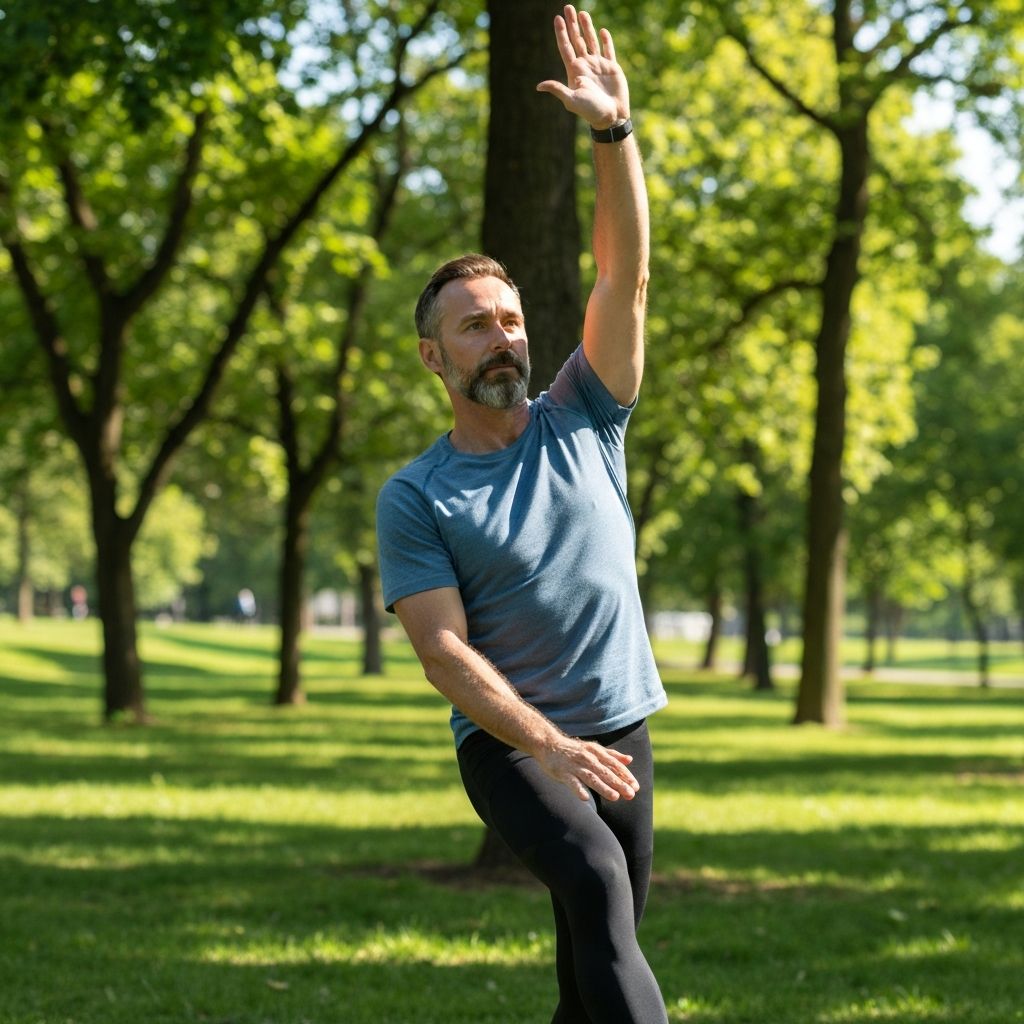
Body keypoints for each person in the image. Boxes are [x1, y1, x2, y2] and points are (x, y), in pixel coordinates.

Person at [375, 7, 668, 1022]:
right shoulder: (417, 494)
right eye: (473, 327)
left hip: (620, 726)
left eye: (508, 318)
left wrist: (613, 133)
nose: (499, 336)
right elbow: (444, 653)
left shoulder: (585, 413)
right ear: (435, 357)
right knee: (593, 880)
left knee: (599, 948)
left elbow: (625, 275)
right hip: (510, 746)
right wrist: (547, 744)